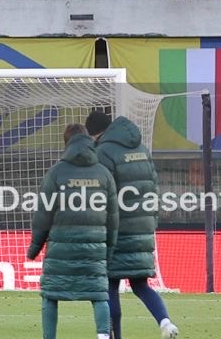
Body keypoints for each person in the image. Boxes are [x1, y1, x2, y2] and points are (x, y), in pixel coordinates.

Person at [87, 110, 180, 339]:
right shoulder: (141, 149)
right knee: (140, 285)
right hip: (143, 227)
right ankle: (166, 322)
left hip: (117, 231)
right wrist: (152, 221)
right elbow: (153, 187)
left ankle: (113, 336)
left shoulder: (103, 152)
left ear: (95, 134)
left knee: (109, 287)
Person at [28, 124, 118, 339]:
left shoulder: (56, 172)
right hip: (94, 248)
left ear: (66, 143)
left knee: (50, 295)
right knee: (98, 295)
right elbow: (113, 218)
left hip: (61, 247)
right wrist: (109, 250)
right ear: (88, 140)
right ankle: (103, 336)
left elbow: (43, 214)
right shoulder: (104, 173)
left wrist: (35, 247)